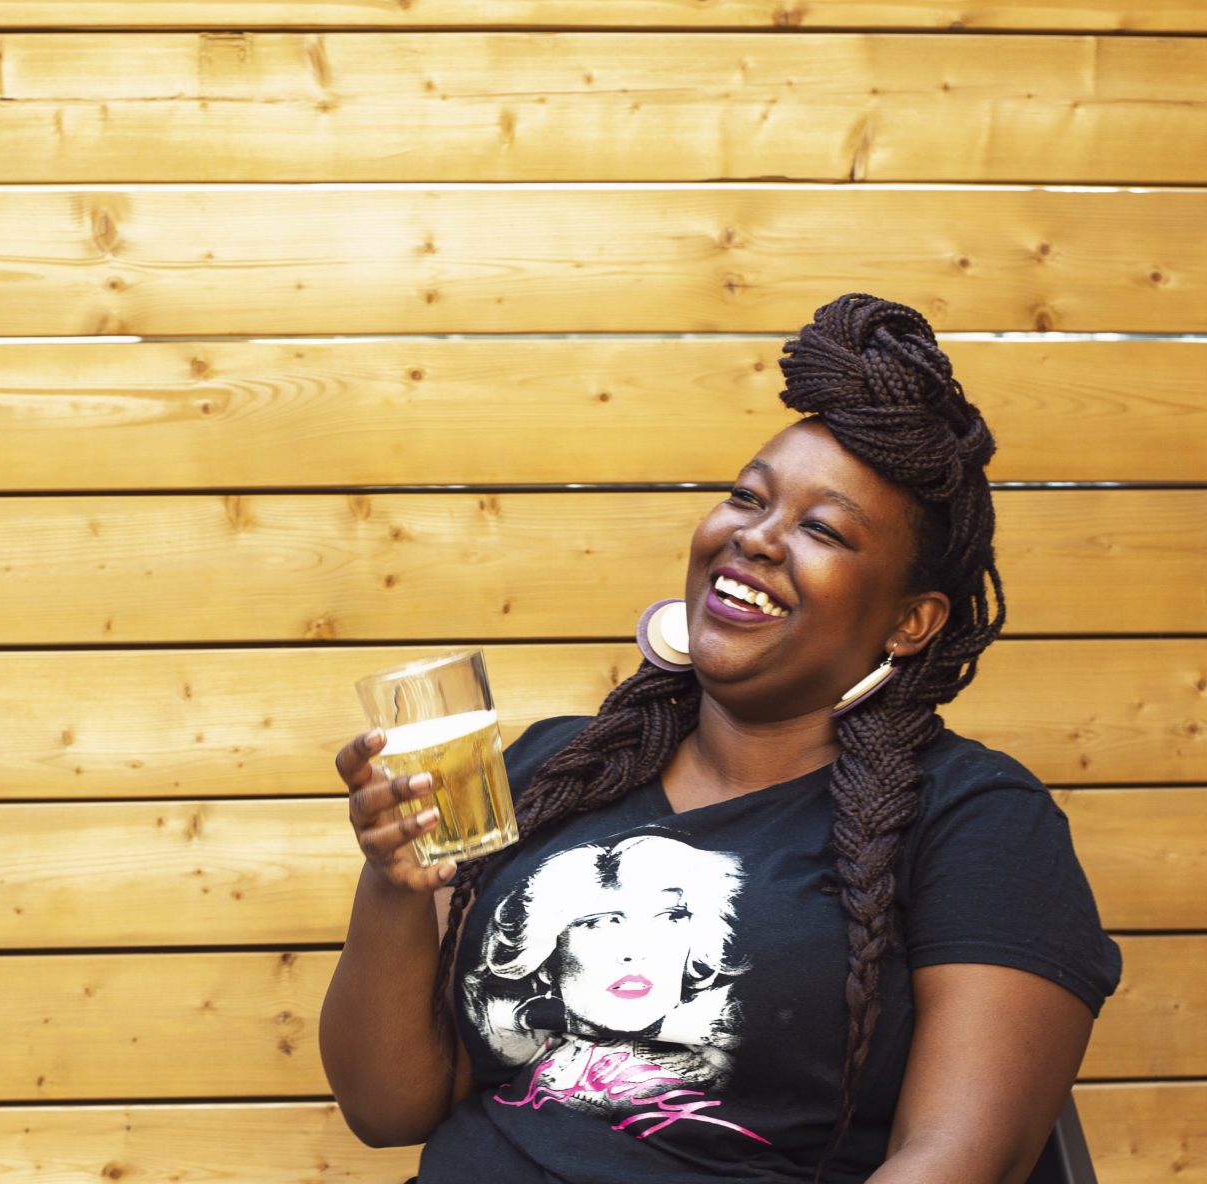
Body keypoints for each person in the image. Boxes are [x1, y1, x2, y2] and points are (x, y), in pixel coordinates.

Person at [318, 293, 1123, 1183]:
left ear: (910, 622)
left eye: (822, 530)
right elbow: (387, 1108)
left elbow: (959, 1161)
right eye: (747, 498)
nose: (757, 538)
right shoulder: (556, 770)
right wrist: (395, 884)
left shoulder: (976, 821)